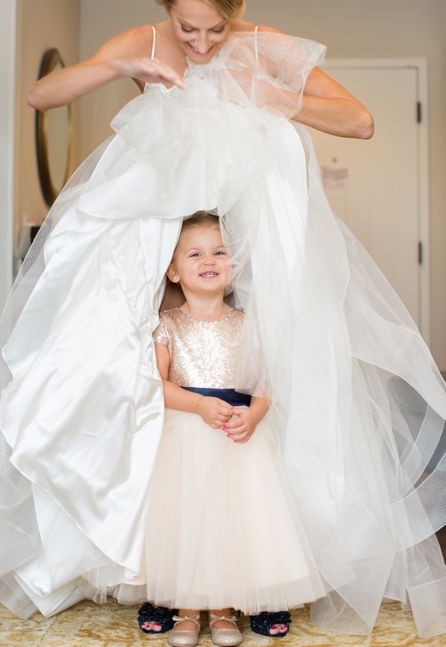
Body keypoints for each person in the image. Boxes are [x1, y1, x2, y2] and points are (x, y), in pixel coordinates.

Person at [0, 0, 446, 640]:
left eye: (217, 28)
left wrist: (273, 93)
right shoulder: (144, 43)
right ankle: (151, 559)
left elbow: (360, 120)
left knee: (267, 380)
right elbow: (41, 93)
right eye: (189, 27)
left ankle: (257, 566)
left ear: (237, 12)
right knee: (125, 376)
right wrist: (119, 63)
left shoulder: (262, 47)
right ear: (166, 8)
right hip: (157, 241)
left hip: (246, 247)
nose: (204, 42)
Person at [149, 212, 325, 647]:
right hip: (186, 434)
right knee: (192, 519)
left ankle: (224, 608)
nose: (209, 260)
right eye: (195, 253)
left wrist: (257, 412)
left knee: (236, 520)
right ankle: (188, 609)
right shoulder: (168, 325)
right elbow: (157, 388)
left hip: (238, 438)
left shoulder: (249, 323)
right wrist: (199, 405)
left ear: (234, 264)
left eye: (219, 252)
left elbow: (266, 383)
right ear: (173, 270)